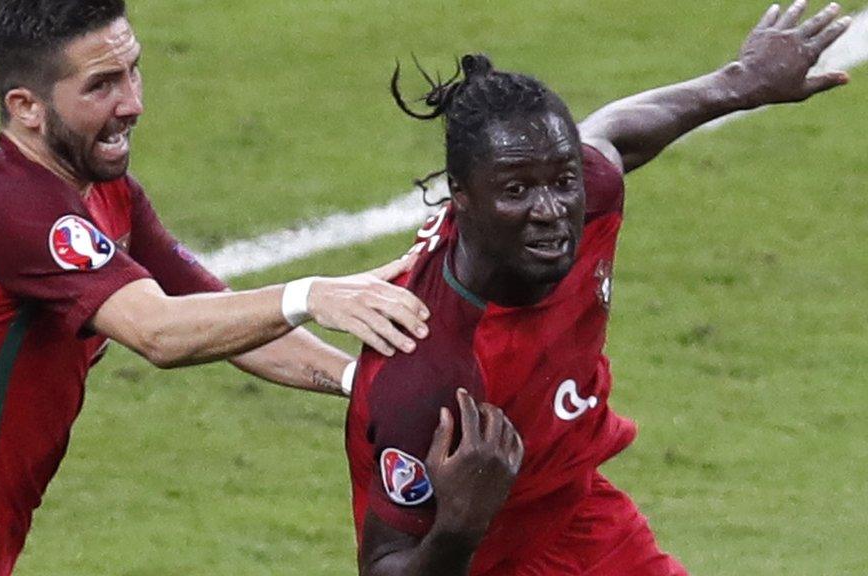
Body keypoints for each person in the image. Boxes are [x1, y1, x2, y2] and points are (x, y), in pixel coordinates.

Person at [0, 1, 434, 575]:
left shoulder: (104, 194)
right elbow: (159, 332)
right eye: (102, 85)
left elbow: (218, 319)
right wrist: (313, 294)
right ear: (26, 106)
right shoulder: (14, 206)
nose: (133, 103)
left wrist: (367, 383)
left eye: (134, 69)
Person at [345, 1, 852, 574]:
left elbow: (615, 134)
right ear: (459, 196)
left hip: (578, 520)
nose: (549, 211)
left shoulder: (587, 197)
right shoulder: (425, 369)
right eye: (514, 192)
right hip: (475, 561)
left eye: (563, 181)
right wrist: (461, 526)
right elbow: (383, 563)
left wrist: (743, 83)